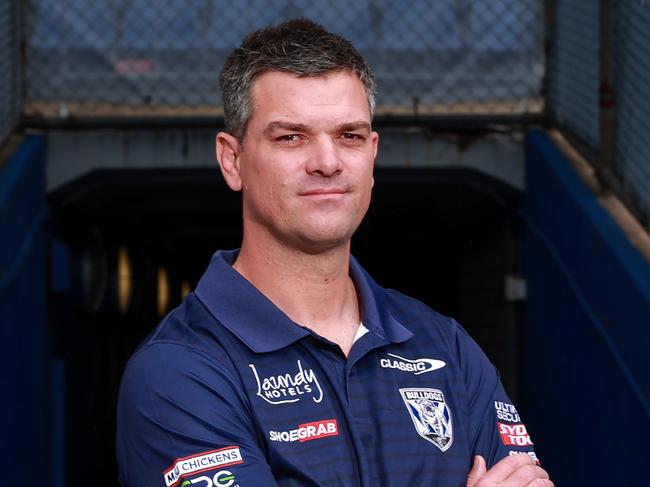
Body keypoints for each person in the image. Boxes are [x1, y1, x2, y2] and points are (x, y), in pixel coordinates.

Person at [116, 18, 553, 487]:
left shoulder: (444, 346)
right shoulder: (181, 371)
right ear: (232, 159)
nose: (327, 162)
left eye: (349, 136)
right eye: (291, 137)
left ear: (372, 155)